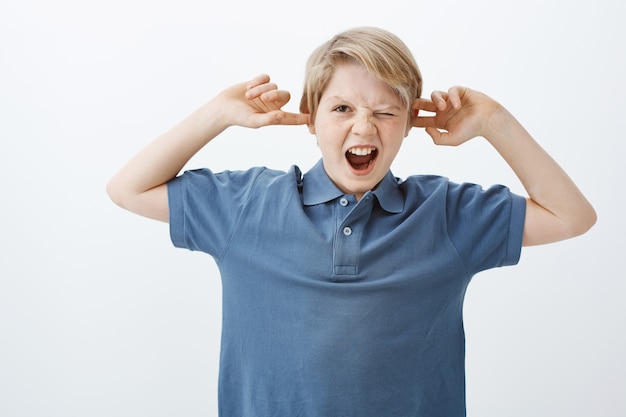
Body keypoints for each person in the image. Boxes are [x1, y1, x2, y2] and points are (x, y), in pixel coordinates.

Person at [107, 26, 596, 417]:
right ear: (310, 118)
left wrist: (494, 121)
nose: (364, 127)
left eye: (386, 111)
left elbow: (571, 216)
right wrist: (216, 114)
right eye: (342, 108)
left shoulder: (445, 214)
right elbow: (128, 189)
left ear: (409, 123)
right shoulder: (246, 205)